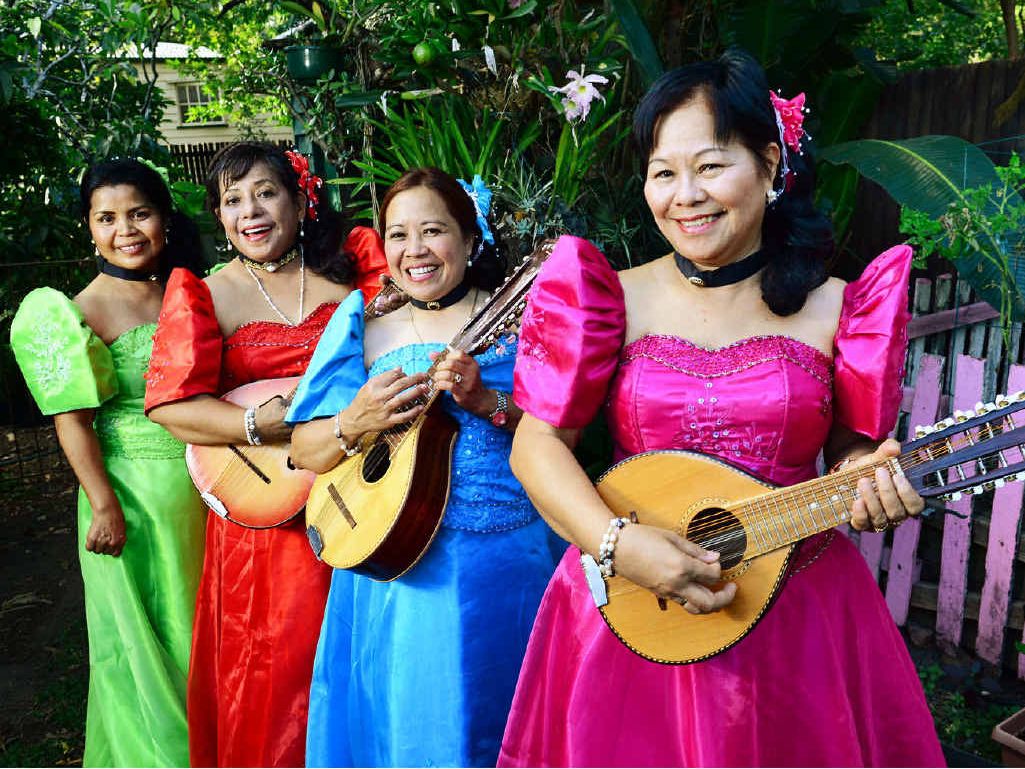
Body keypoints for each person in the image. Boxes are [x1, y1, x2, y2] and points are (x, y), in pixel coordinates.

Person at [498, 50, 945, 767]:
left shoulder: (839, 307)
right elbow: (536, 443)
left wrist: (870, 475)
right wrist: (617, 545)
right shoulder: (605, 294)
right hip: (634, 611)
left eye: (710, 166)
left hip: (799, 618)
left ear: (769, 166)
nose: (685, 195)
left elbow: (852, 452)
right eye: (663, 172)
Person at [288, 167, 562, 767]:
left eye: (433, 231)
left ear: (469, 238)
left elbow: (566, 435)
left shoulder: (522, 320)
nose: (415, 250)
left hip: (508, 551)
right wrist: (354, 421)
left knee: (516, 713)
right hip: (395, 558)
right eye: (397, 234)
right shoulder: (361, 325)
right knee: (411, 720)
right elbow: (305, 451)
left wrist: (486, 403)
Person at [142, 141, 390, 767]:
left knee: (366, 654)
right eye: (231, 200)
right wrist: (257, 424)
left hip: (364, 489)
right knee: (279, 671)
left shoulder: (353, 264)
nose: (249, 211)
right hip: (269, 515)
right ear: (219, 219)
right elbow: (171, 405)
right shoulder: (204, 294)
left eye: (265, 192)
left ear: (300, 197)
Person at [9, 158, 207, 767]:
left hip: (205, 488)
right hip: (128, 497)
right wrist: (103, 504)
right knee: (144, 646)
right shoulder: (72, 312)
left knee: (203, 633)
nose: (125, 230)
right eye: (106, 218)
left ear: (165, 220)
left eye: (139, 213)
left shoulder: (192, 290)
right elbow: (71, 419)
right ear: (88, 229)